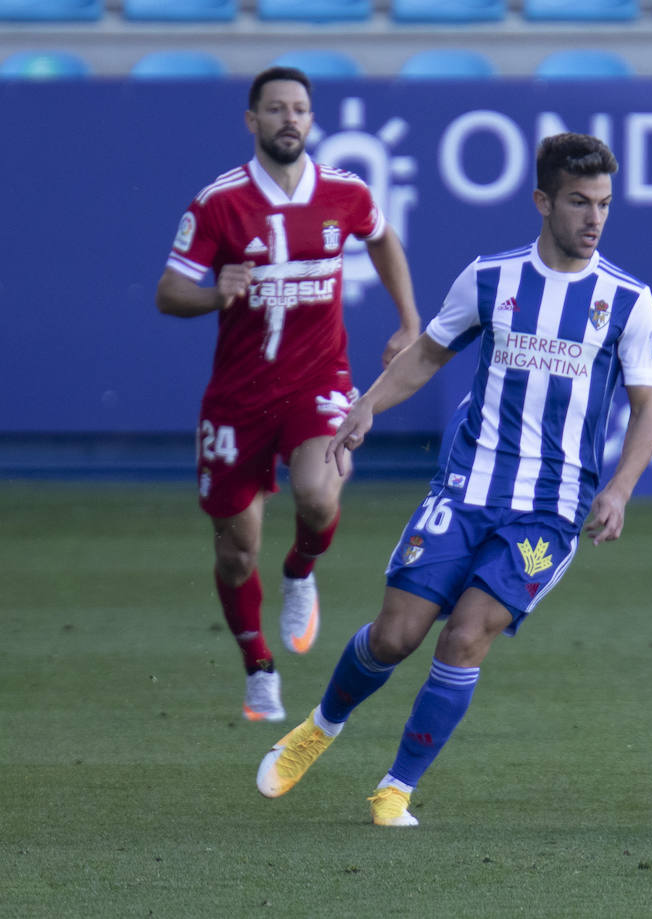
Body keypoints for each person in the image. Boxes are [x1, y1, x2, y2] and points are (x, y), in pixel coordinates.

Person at [254, 132, 652, 828]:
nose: (593, 219)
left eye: (603, 204)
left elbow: (647, 405)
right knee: (395, 635)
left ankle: (395, 786)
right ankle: (318, 728)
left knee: (466, 634)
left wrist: (619, 487)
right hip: (466, 490)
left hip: (549, 510)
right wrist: (367, 405)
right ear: (542, 201)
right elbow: (427, 355)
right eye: (578, 202)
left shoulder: (626, 301)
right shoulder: (491, 278)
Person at [156, 67, 422, 722]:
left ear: (311, 119)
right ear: (252, 121)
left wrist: (409, 320)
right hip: (239, 396)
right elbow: (169, 292)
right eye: (275, 109)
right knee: (236, 547)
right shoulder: (218, 203)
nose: (288, 119)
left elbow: (383, 236)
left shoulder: (343, 191)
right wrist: (214, 293)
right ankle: (258, 667)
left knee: (318, 490)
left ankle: (301, 569)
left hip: (318, 380)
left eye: (299, 109)